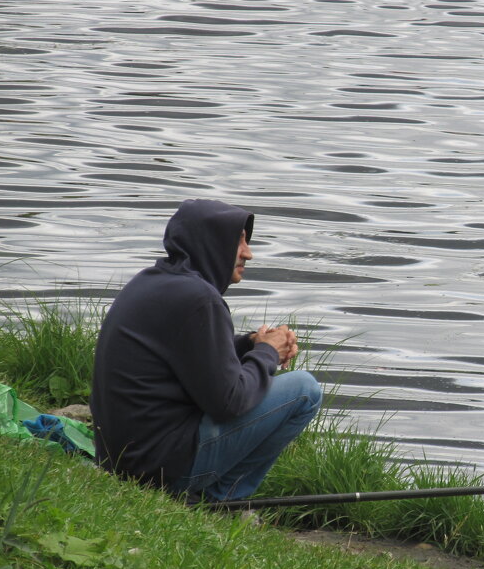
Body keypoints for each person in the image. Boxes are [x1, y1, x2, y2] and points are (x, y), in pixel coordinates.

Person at [89, 199, 322, 502]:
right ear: (211, 243)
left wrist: (250, 344)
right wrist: (267, 353)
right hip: (158, 469)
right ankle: (220, 498)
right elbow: (230, 401)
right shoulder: (200, 299)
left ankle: (211, 495)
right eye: (238, 240)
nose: (248, 253)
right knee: (305, 390)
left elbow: (195, 360)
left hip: (123, 460)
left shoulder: (152, 281)